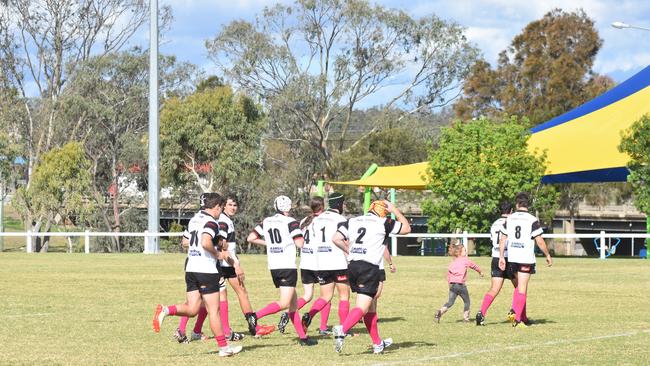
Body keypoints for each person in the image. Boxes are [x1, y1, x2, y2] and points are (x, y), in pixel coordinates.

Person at [152, 193, 242, 357]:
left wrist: (218, 242)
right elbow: (205, 242)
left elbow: (185, 242)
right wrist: (217, 254)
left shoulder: (194, 220)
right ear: (216, 207)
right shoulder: (212, 222)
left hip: (191, 268)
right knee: (213, 311)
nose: (220, 212)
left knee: (193, 309)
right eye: (220, 208)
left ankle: (165, 310)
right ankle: (224, 348)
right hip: (206, 270)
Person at [177, 194, 262, 341]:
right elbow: (218, 245)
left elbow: (187, 241)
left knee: (209, 299)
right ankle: (226, 333)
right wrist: (234, 263)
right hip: (216, 263)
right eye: (228, 205)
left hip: (214, 263)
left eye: (234, 205)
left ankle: (196, 331)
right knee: (209, 300)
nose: (232, 208)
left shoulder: (206, 219)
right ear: (218, 206)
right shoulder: (219, 221)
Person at [332, 200, 410, 354]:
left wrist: (350, 251)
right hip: (369, 268)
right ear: (383, 211)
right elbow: (407, 228)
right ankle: (343, 329)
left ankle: (377, 343)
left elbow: (336, 238)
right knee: (362, 307)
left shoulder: (352, 221)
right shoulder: (383, 222)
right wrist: (395, 210)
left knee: (370, 307)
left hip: (353, 266)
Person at [246, 195, 318, 346]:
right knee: (285, 303)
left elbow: (251, 238)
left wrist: (270, 244)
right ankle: (255, 316)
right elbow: (299, 243)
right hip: (287, 266)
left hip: (274, 266)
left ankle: (303, 338)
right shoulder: (290, 222)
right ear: (289, 207)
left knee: (293, 306)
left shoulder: (266, 221)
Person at [498, 192, 553, 328]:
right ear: (528, 204)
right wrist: (547, 255)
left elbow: (503, 239)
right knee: (522, 288)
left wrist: (501, 257)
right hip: (525, 258)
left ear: (517, 204)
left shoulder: (509, 219)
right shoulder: (532, 220)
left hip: (512, 257)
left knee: (519, 288)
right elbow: (539, 241)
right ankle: (516, 318)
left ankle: (521, 315)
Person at [301, 193, 351, 336]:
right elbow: (343, 240)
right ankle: (344, 329)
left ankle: (309, 315)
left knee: (325, 296)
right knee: (344, 296)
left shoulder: (316, 219)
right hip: (338, 262)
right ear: (340, 204)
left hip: (321, 263)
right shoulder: (341, 219)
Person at [476, 201, 516, 326]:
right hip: (509, 257)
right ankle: (515, 313)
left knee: (494, 289)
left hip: (495, 257)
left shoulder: (494, 224)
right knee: (520, 288)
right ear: (511, 210)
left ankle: (481, 313)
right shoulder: (512, 222)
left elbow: (493, 240)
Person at [434, 241, 484, 323]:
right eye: (464, 251)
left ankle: (439, 312)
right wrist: (480, 272)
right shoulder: (465, 260)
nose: (466, 252)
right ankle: (466, 318)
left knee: (450, 302)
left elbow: (449, 275)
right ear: (460, 253)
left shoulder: (453, 262)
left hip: (452, 285)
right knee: (467, 302)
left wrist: (449, 285)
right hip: (461, 285)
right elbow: (474, 266)